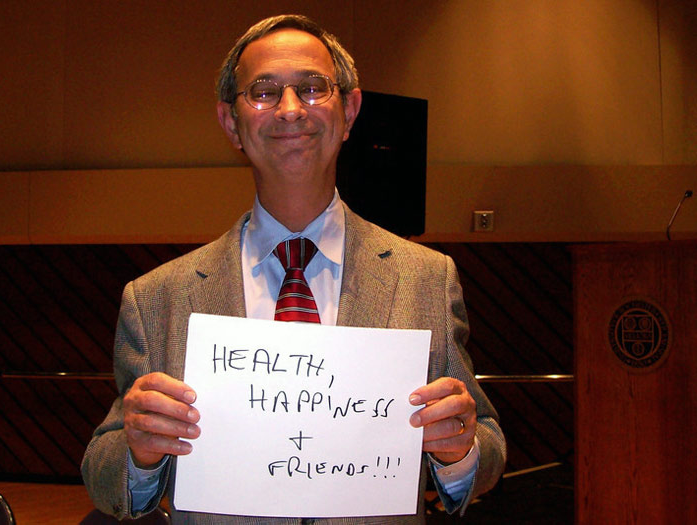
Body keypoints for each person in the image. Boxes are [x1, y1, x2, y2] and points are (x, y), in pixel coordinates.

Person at [81, 14, 505, 523]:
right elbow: (103, 472)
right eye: (263, 92)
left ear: (349, 111)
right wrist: (139, 454)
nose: (289, 110)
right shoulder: (157, 298)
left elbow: (486, 443)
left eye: (311, 88)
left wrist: (460, 452)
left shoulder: (426, 279)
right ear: (229, 122)